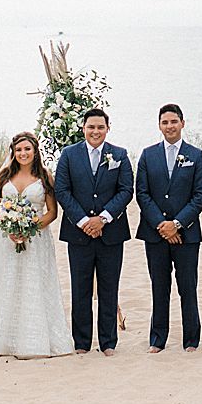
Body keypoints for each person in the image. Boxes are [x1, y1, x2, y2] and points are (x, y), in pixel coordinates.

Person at [0, 131, 73, 358]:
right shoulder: (5, 176)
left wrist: (29, 228)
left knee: (33, 283)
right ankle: (1, 340)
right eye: (19, 150)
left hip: (36, 239)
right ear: (13, 153)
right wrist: (7, 226)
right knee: (6, 282)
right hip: (6, 239)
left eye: (27, 149)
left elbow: (52, 212)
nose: (23, 153)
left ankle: (33, 339)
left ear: (35, 151)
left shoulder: (45, 177)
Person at [54, 108, 134, 355]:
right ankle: (81, 343)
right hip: (78, 234)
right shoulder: (68, 155)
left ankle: (108, 342)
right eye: (91, 127)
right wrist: (83, 221)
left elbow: (126, 190)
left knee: (109, 288)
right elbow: (62, 190)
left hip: (111, 233)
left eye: (100, 127)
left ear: (107, 128)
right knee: (81, 288)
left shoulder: (119, 154)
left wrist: (103, 218)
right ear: (83, 128)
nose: (95, 131)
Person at [135, 103, 202, 353]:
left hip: (186, 235)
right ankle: (158, 339)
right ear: (159, 125)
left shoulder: (196, 155)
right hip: (155, 234)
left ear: (182, 123)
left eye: (174, 121)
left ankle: (191, 339)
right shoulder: (148, 155)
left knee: (188, 287)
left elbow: (200, 196)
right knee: (159, 286)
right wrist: (161, 224)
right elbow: (142, 194)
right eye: (165, 122)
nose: (170, 126)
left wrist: (176, 224)